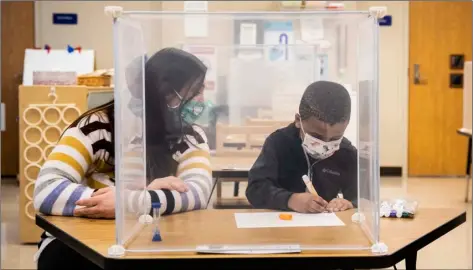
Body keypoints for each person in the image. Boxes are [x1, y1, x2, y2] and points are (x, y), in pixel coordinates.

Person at [33, 48, 212, 270]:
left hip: (149, 242)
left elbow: (198, 192)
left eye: (202, 90)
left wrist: (129, 202)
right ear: (165, 94)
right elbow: (46, 190)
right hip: (80, 245)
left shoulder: (190, 136)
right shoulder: (97, 127)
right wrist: (138, 199)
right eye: (194, 92)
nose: (202, 100)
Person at [246, 81, 357, 213]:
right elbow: (255, 189)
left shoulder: (346, 153)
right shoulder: (278, 142)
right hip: (278, 224)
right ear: (298, 120)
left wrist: (349, 204)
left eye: (335, 138)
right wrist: (291, 200)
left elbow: (365, 198)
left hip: (324, 228)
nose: (325, 145)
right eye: (316, 136)